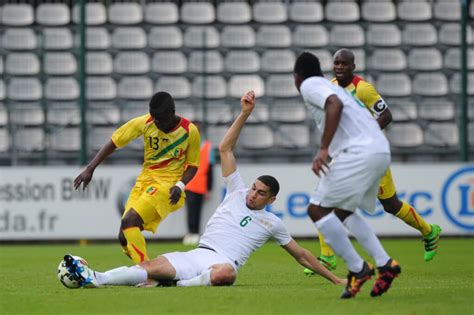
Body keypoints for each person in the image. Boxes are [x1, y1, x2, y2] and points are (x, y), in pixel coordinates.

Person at [63, 90, 346, 289]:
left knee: (227, 274)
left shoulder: (273, 223)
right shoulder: (236, 190)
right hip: (199, 253)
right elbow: (226, 148)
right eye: (254, 188)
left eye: (260, 193)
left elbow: (302, 255)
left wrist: (336, 279)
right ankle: (95, 277)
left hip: (221, 259)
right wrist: (245, 113)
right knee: (144, 259)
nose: (252, 194)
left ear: (272, 200)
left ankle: (178, 285)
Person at [305, 49, 441, 272]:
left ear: (353, 67)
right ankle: (327, 256)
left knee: (391, 205)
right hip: (345, 155)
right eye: (336, 63)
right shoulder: (329, 86)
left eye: (344, 64)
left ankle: (428, 231)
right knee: (324, 198)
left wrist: (366, 136)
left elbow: (386, 115)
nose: (339, 67)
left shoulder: (363, 89)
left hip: (367, 153)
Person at [294, 52, 401, 298]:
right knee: (343, 212)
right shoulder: (330, 85)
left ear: (296, 77)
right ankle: (385, 264)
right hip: (379, 150)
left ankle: (358, 268)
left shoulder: (310, 84)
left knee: (317, 210)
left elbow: (335, 105)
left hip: (358, 153)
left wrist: (323, 148)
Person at [74, 91, 201, 264]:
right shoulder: (146, 122)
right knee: (123, 237)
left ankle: (148, 274)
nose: (155, 122)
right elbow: (115, 141)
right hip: (145, 180)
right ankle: (157, 273)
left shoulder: (189, 131)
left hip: (167, 185)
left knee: (129, 221)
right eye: (153, 117)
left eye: (160, 119)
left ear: (171, 114)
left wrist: (180, 185)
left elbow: (193, 166)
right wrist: (90, 169)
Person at [182, 122, 214, 246]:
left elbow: (210, 170)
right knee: (190, 210)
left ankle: (195, 233)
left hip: (201, 185)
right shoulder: (186, 145)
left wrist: (209, 188)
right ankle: (190, 233)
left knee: (197, 210)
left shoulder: (207, 147)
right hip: (188, 183)